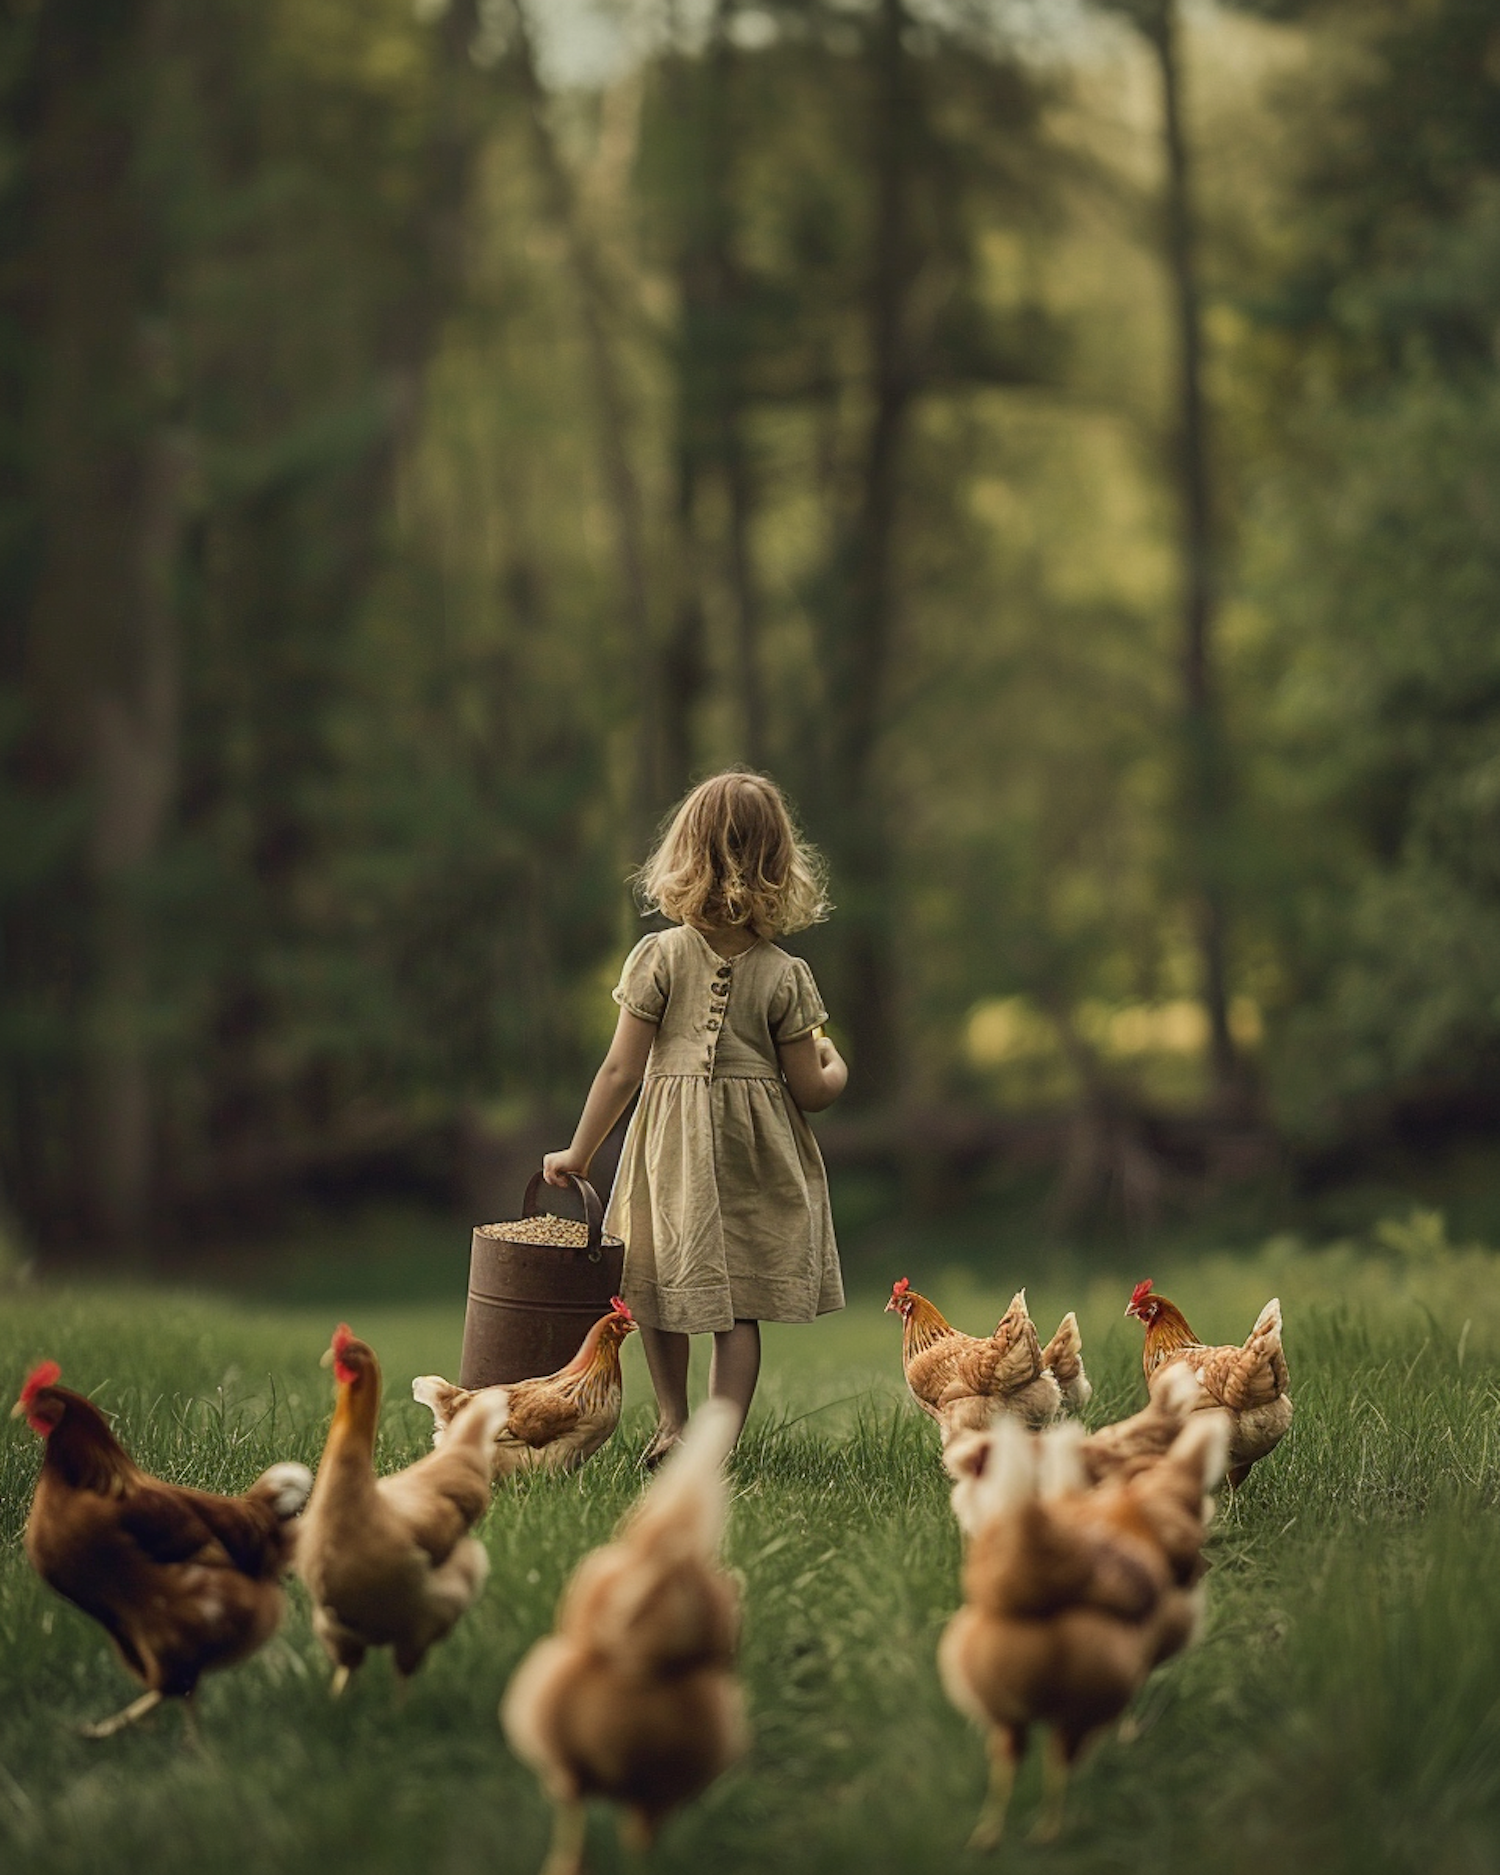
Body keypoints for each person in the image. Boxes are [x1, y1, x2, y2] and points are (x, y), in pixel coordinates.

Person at [543, 770, 848, 1464]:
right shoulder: (785, 972)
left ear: (685, 856)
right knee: (735, 1304)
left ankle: (674, 1421)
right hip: (753, 1152)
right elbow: (810, 1087)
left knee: (655, 1285)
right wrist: (836, 1063)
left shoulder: (658, 956)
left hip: (669, 1148)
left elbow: (620, 1070)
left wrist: (579, 1152)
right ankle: (715, 1439)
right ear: (778, 864)